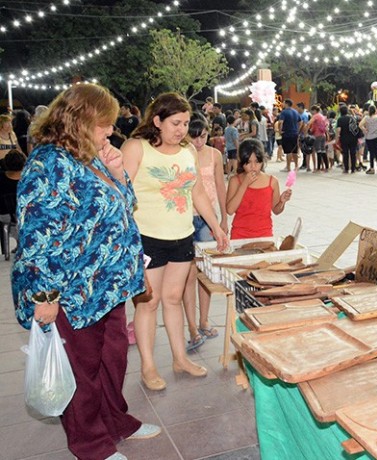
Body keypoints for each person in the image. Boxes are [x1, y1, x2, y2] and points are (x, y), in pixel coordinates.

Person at [11, 83, 161, 460]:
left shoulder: (90, 155)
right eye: (103, 124)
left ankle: (115, 422)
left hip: (107, 284)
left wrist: (118, 173)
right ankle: (90, 443)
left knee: (112, 358)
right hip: (72, 289)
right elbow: (36, 238)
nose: (109, 131)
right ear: (78, 120)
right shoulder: (47, 163)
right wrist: (45, 298)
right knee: (83, 369)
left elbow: (125, 206)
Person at [121, 92, 229, 392]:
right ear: (157, 121)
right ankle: (148, 366)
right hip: (147, 239)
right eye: (175, 123)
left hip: (182, 236)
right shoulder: (135, 148)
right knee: (149, 302)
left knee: (173, 299)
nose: (181, 130)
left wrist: (217, 227)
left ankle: (180, 358)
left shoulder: (187, 152)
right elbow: (120, 195)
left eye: (185, 123)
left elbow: (197, 194)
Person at [182, 119, 228, 351]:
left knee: (205, 273)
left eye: (202, 136)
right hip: (184, 218)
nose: (198, 141)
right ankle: (191, 326)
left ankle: (203, 320)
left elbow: (221, 186)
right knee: (188, 275)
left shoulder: (214, 155)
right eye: (194, 136)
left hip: (207, 219)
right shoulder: (181, 154)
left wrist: (223, 218)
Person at [226, 139, 292, 239]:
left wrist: (282, 202)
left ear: (262, 160)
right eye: (248, 162)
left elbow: (276, 211)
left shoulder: (272, 181)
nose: (253, 166)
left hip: (265, 235)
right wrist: (244, 184)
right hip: (239, 235)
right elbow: (230, 210)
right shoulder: (235, 181)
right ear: (241, 161)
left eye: (257, 161)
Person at [278, 99, 301, 172]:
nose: (283, 104)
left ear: (286, 104)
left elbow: (280, 122)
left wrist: (280, 130)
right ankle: (296, 166)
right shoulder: (295, 112)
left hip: (287, 133)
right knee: (294, 150)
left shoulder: (284, 112)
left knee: (288, 151)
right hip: (295, 133)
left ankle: (288, 167)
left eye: (283, 103)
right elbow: (300, 122)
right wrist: (297, 129)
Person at [336, 104, 360, 173]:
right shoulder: (352, 118)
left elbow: (338, 130)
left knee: (345, 153)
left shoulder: (340, 119)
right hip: (353, 138)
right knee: (353, 153)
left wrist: (337, 138)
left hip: (344, 138)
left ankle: (346, 169)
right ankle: (353, 168)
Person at [361, 105, 377, 174]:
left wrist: (364, 130)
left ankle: (372, 168)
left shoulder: (366, 118)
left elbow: (360, 125)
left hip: (369, 137)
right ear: (375, 110)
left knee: (371, 152)